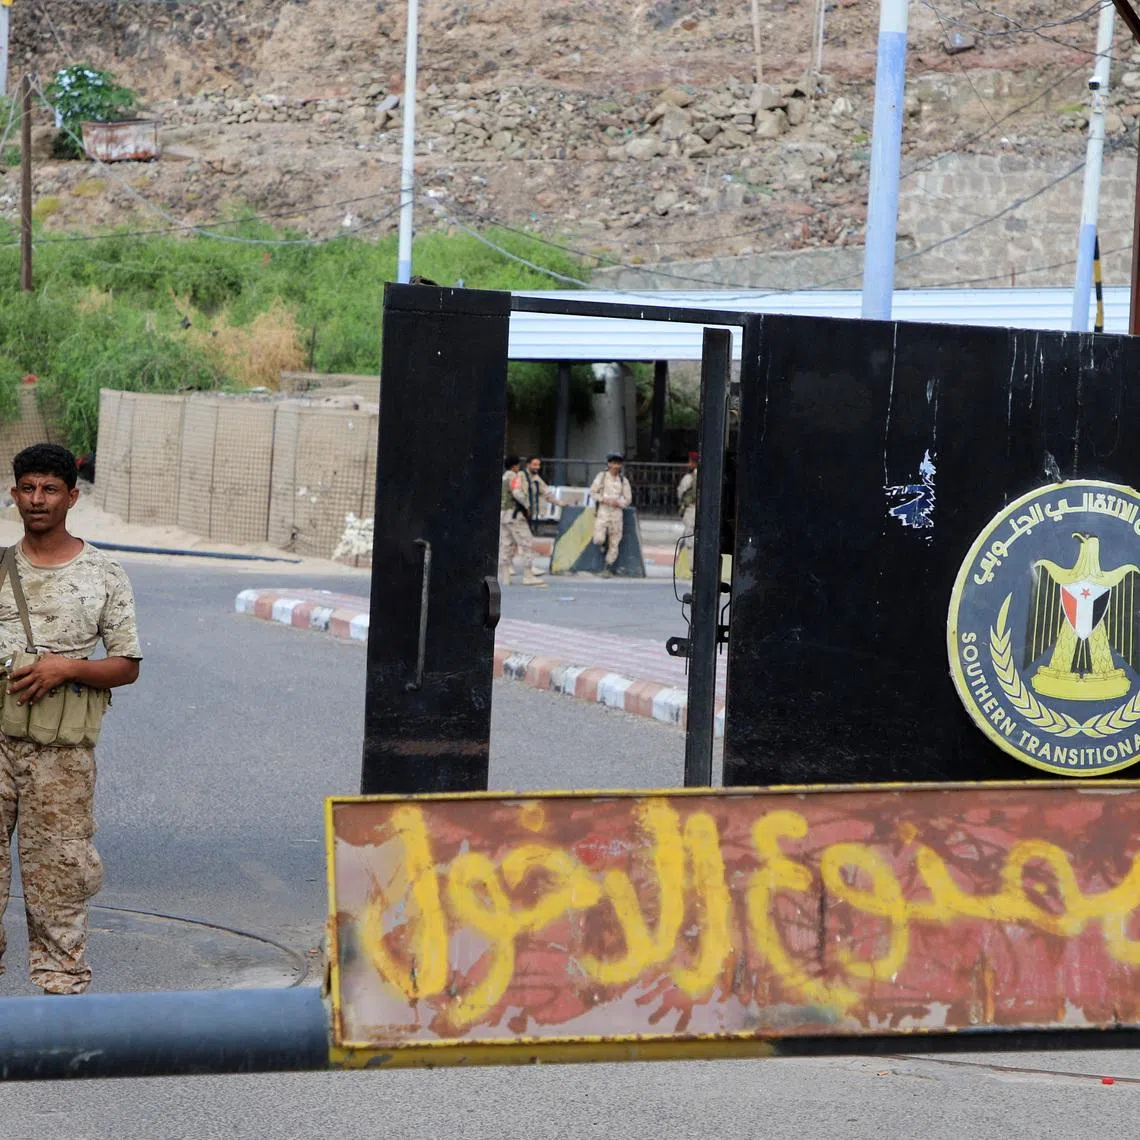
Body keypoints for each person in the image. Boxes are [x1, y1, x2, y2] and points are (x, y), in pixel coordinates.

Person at [0, 443, 141, 994]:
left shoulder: (103, 572)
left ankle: (61, 996)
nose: (38, 500)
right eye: (28, 488)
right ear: (14, 495)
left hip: (61, 759)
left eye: (50, 489)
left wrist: (66, 668)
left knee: (59, 874)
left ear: (72, 497)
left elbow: (127, 666)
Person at [499, 456, 545, 587]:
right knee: (526, 543)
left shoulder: (503, 477)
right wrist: (527, 506)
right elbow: (517, 493)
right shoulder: (514, 477)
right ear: (514, 466)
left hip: (504, 516)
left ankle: (506, 577)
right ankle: (528, 575)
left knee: (506, 546)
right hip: (515, 515)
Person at [589, 453, 633, 577]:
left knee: (615, 540)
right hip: (604, 510)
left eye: (618, 463)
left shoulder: (623, 480)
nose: (615, 466)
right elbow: (593, 492)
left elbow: (628, 498)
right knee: (599, 538)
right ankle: (603, 544)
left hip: (617, 512)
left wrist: (619, 502)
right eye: (613, 463)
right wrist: (603, 499)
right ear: (609, 464)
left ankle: (607, 567)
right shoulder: (602, 477)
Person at [677, 451, 698, 552]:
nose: (689, 464)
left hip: (691, 510)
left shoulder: (690, 477)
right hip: (698, 511)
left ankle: (691, 566)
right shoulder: (706, 475)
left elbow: (680, 492)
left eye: (690, 461)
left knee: (689, 541)